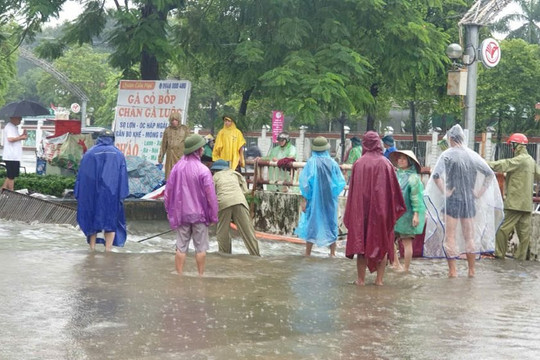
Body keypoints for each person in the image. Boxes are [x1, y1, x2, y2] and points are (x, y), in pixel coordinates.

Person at [423, 124, 503, 277]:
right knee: (470, 237)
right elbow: (489, 173)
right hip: (470, 202)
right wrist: (479, 192)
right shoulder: (472, 156)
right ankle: (471, 271)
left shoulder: (447, 155)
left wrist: (445, 191)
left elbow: (436, 176)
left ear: (451, 139)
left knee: (450, 236)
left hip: (452, 200)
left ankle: (453, 271)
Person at [344, 131, 406, 286]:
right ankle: (379, 281)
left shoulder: (358, 164)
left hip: (361, 212)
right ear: (378, 143)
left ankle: (361, 280)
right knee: (383, 244)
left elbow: (353, 193)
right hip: (382, 212)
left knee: (362, 245)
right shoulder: (386, 164)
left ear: (365, 144)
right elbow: (394, 193)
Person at [164, 134, 218, 276]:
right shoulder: (203, 170)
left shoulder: (176, 168)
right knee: (200, 249)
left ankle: (179, 277)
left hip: (181, 214)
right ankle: (200, 277)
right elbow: (211, 196)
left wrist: (170, 212)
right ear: (199, 150)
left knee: (181, 247)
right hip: (200, 215)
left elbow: (168, 192)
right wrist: (213, 216)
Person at [75, 129, 129, 252]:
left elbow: (82, 176)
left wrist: (79, 193)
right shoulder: (118, 155)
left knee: (92, 219)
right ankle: (108, 250)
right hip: (112, 195)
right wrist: (123, 194)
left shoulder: (90, 153)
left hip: (92, 194)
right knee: (111, 223)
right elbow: (123, 177)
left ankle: (92, 249)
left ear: (99, 138)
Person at [488, 133, 540, 260]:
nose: (511, 147)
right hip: (526, 205)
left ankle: (499, 255)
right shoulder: (531, 161)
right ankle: (520, 260)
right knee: (524, 235)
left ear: (516, 145)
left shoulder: (520, 159)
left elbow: (504, 164)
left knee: (502, 230)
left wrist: (485, 163)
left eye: (512, 144)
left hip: (514, 204)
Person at [295, 137, 346, 256]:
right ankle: (332, 253)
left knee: (312, 223)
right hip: (329, 199)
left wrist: (306, 199)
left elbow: (304, 183)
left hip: (313, 199)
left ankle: (308, 253)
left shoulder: (311, 163)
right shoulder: (332, 163)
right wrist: (332, 194)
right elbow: (340, 182)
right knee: (331, 222)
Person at [211, 159, 260, 256]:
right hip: (239, 201)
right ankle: (256, 255)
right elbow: (245, 191)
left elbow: (212, 193)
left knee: (222, 231)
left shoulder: (214, 177)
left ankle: (225, 255)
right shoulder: (235, 174)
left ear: (215, 170)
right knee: (248, 231)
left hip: (223, 202)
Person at [389, 150, 426, 272]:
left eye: (403, 159)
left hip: (408, 215)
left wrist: (416, 214)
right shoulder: (396, 175)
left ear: (409, 161)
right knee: (390, 239)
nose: (400, 161)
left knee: (406, 242)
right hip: (395, 214)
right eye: (399, 158)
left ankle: (406, 268)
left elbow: (416, 198)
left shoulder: (413, 178)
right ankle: (396, 263)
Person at [158, 111, 189, 180]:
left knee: (180, 176)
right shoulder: (167, 130)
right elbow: (163, 145)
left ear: (179, 120)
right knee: (170, 176)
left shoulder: (184, 129)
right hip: (170, 157)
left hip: (180, 156)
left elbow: (189, 143)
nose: (174, 122)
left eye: (176, 120)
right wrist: (161, 157)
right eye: (172, 120)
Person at [1, 116, 27, 191]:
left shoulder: (14, 127)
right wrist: (21, 138)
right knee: (11, 175)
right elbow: (10, 139)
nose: (20, 121)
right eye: (19, 119)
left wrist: (22, 135)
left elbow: (15, 138)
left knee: (11, 175)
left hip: (14, 155)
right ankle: (11, 191)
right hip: (11, 155)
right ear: (13, 118)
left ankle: (3, 189)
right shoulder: (9, 127)